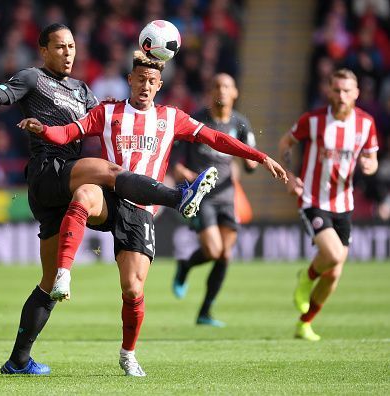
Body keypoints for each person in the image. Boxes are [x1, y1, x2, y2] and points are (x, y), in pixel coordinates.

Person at [19, 51, 287, 376]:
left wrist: (258, 156)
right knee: (85, 193)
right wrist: (43, 130)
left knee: (132, 289)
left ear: (159, 85)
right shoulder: (107, 111)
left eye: (152, 81)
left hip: (141, 210)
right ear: (129, 80)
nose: (145, 86)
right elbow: (67, 134)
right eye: (140, 79)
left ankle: (127, 353)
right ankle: (64, 274)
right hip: (110, 197)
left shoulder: (172, 117)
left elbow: (217, 138)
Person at [0, 23, 206, 376]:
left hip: (64, 187)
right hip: (49, 170)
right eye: (60, 47)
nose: (67, 53)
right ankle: (178, 199)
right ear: (44, 50)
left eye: (71, 47)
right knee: (111, 174)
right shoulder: (33, 78)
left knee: (48, 283)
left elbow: (115, 120)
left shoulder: (83, 91)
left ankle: (18, 360)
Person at [278, 69, 379, 341]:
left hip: (344, 204)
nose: (342, 96)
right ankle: (306, 278)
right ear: (329, 91)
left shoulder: (366, 124)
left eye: (347, 91)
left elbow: (371, 159)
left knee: (334, 274)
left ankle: (305, 323)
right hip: (313, 199)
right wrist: (290, 175)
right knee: (333, 256)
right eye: (337, 90)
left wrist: (370, 166)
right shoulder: (313, 121)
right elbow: (285, 143)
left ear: (356, 93)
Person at [170, 73, 259, 328]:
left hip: (228, 197)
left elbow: (251, 163)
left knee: (224, 256)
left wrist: (251, 159)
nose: (221, 90)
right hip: (202, 198)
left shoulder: (241, 124)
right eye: (217, 86)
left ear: (235, 93)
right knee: (212, 250)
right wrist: (187, 175)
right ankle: (185, 266)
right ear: (210, 91)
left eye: (226, 86)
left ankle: (205, 312)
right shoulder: (196, 121)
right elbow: (177, 163)